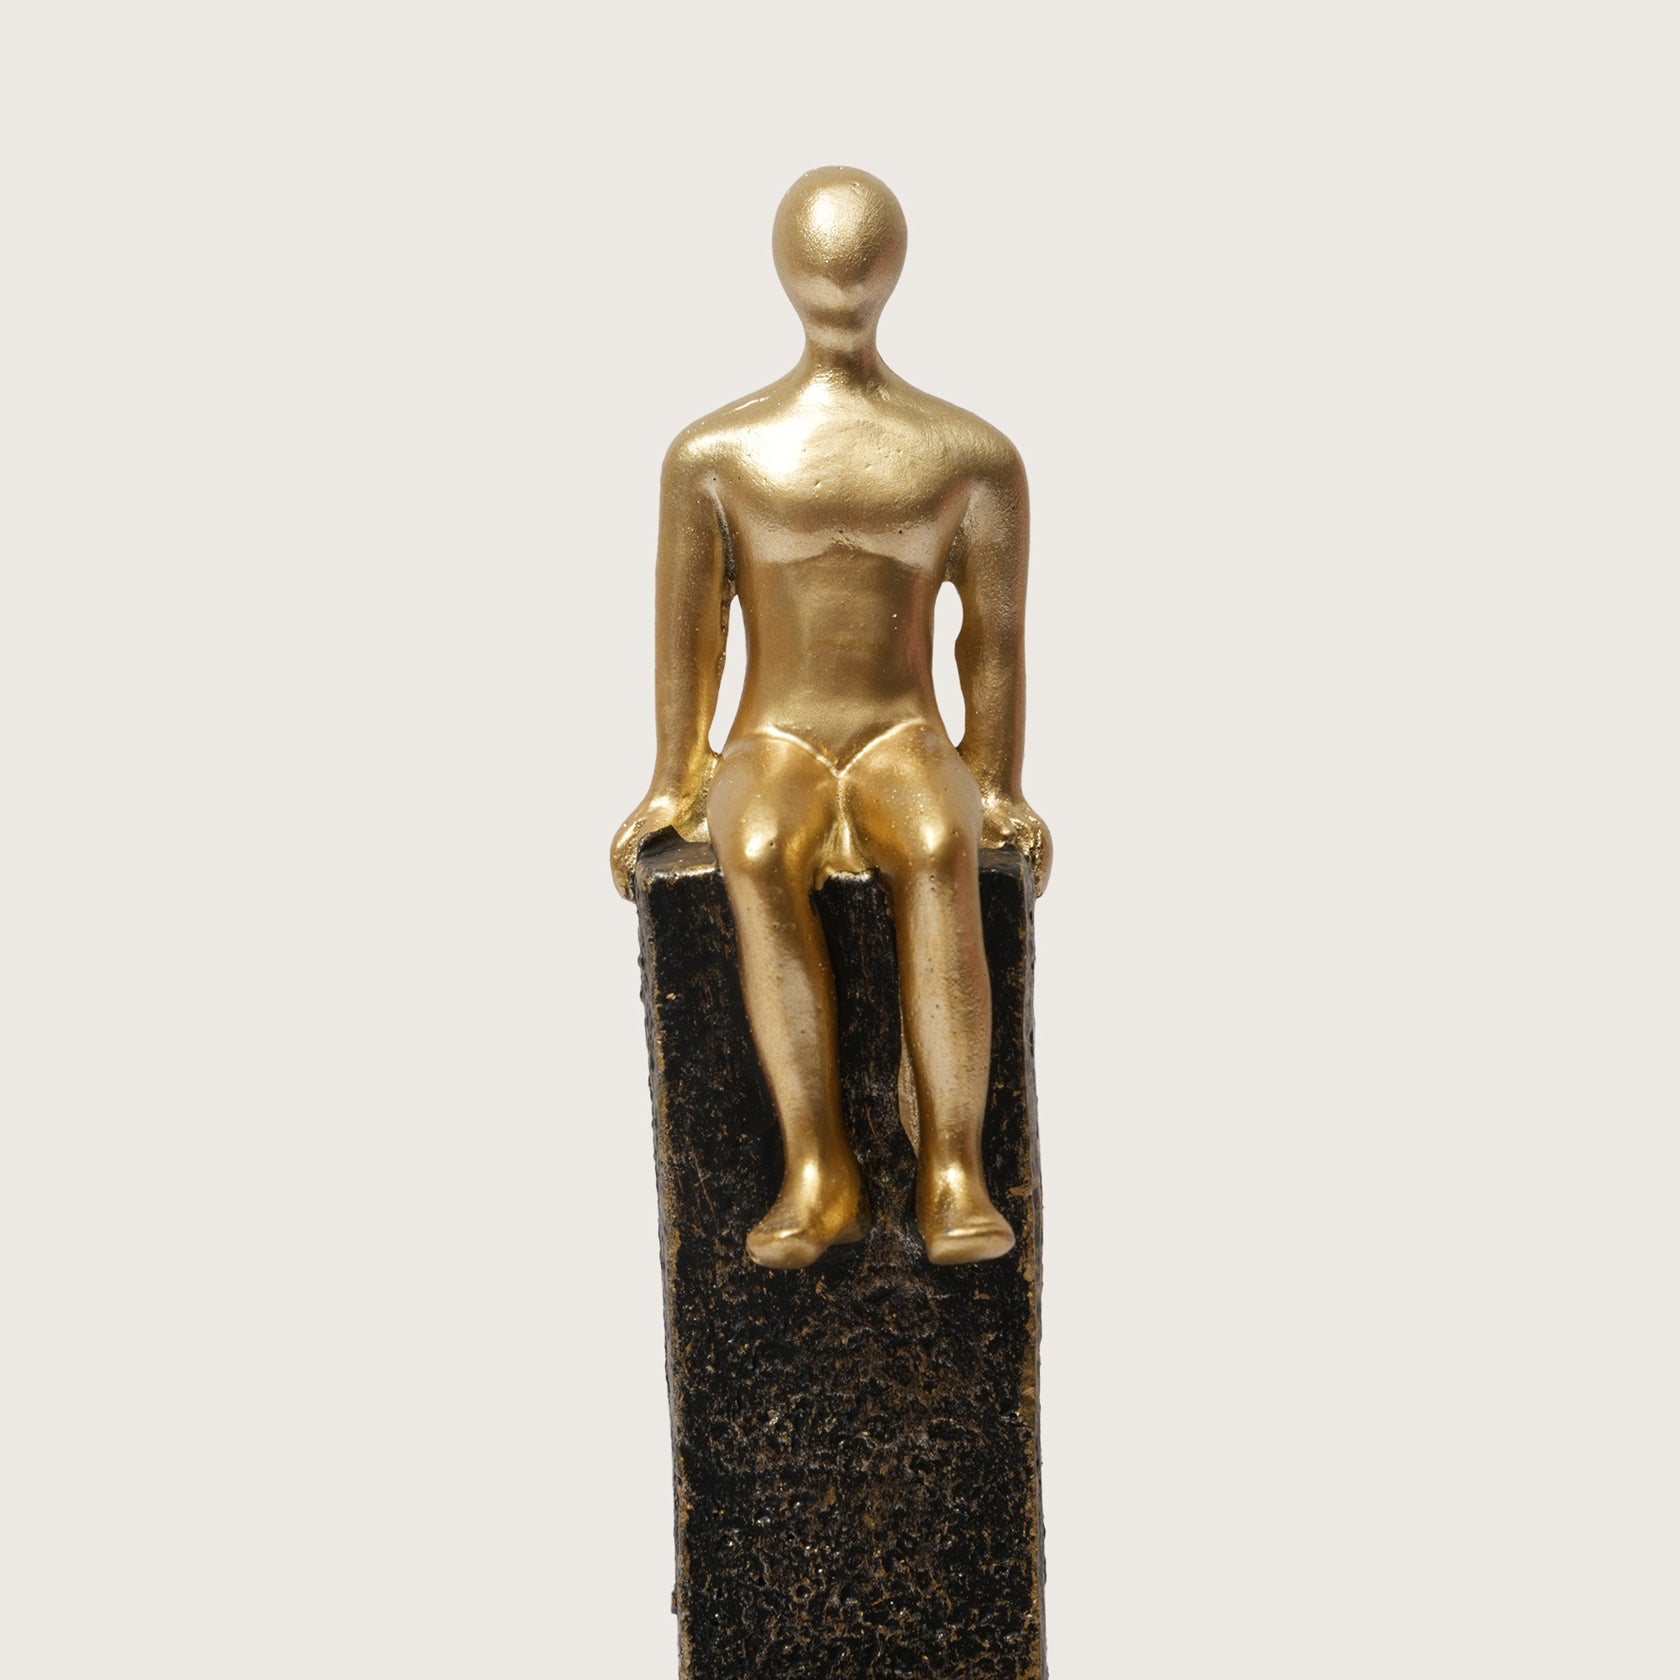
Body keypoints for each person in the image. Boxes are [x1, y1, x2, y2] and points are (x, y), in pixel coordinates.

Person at [612, 166, 1050, 1268]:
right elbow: (690, 634)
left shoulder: (968, 456)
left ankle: (953, 1170)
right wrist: (675, 777)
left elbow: (993, 641)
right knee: (757, 847)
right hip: (779, 737)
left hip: (901, 733)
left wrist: (997, 783)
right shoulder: (717, 457)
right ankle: (818, 1168)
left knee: (939, 843)